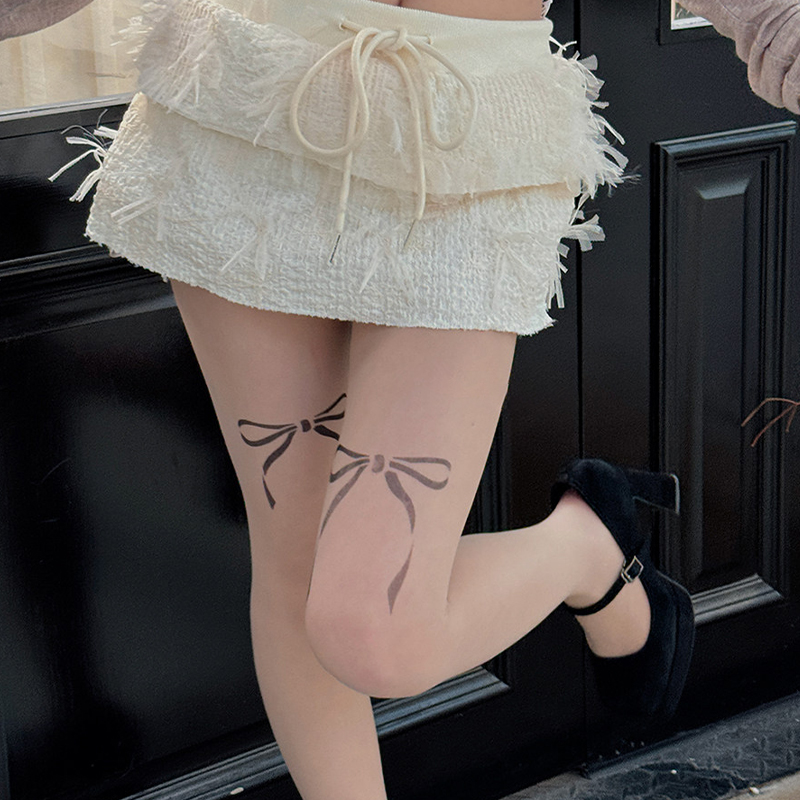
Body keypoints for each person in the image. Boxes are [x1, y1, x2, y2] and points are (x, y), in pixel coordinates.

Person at [6, 1, 797, 798]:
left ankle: (585, 543)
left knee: (376, 632)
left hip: (462, 132)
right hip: (246, 105)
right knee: (294, 569)